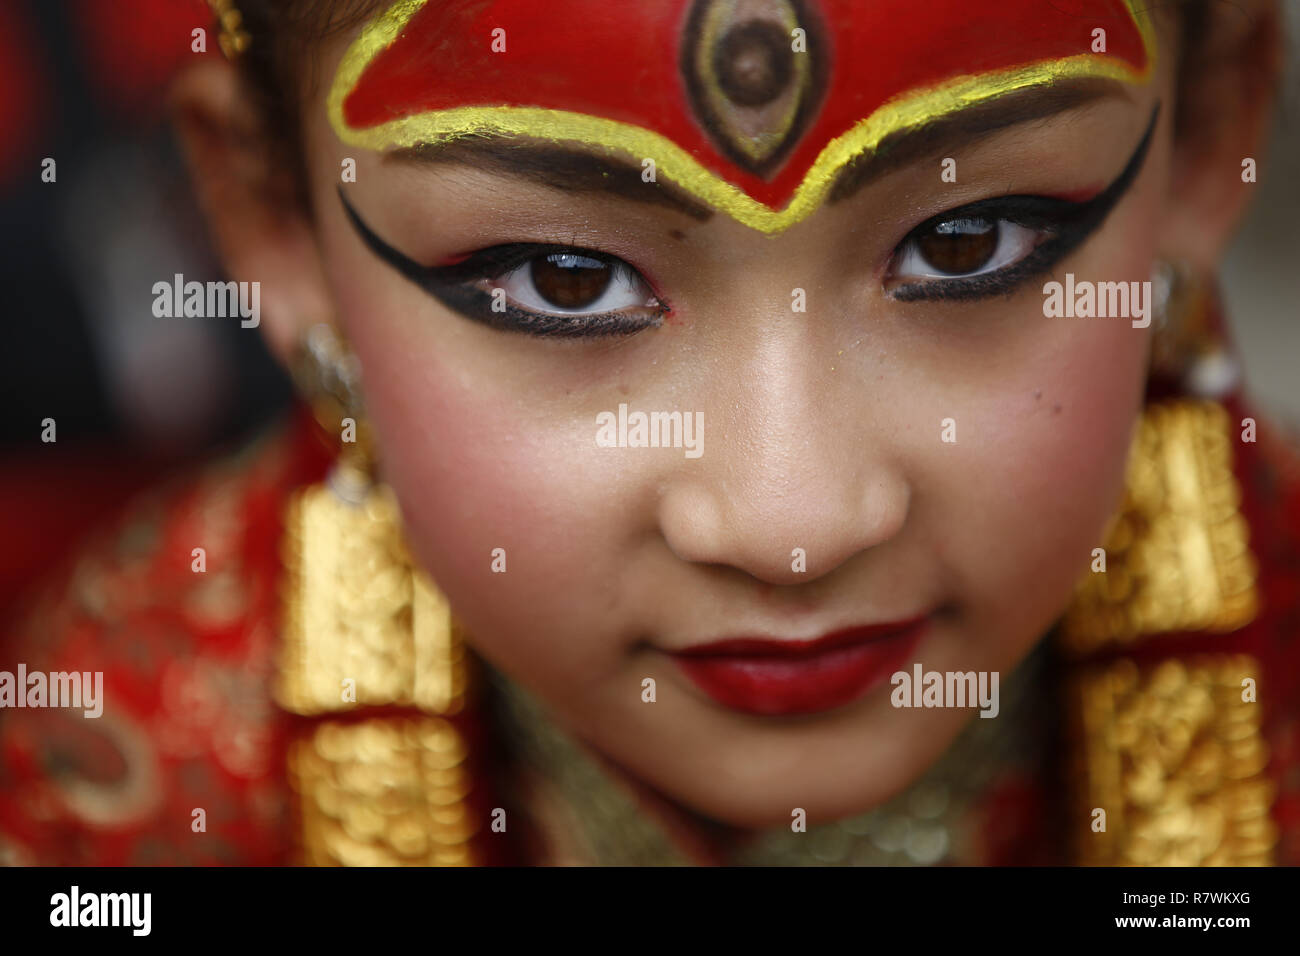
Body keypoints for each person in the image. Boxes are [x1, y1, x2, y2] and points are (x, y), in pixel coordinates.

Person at [1, 0, 1296, 866]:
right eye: (566, 281)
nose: (794, 524)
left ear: (1207, 147)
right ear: (273, 229)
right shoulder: (134, 789)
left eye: (967, 244)